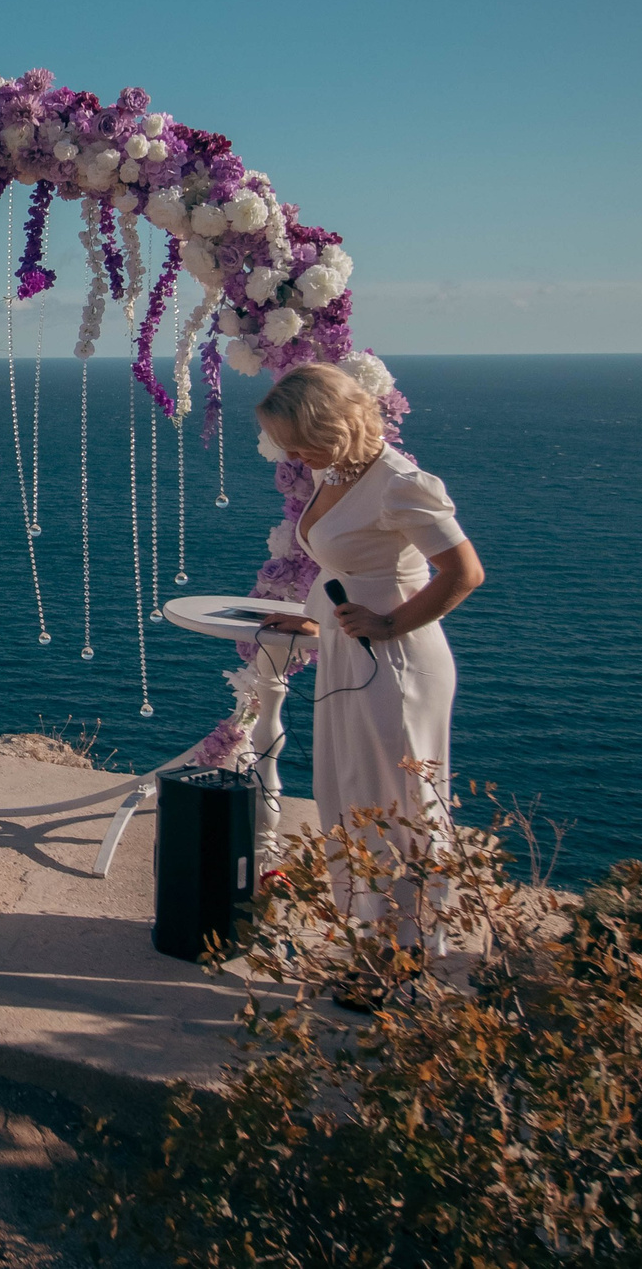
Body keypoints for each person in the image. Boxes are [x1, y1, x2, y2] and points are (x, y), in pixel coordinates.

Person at [256, 363, 483, 965]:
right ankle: (372, 947)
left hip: (399, 664)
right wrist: (314, 620)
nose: (293, 453)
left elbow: (464, 573)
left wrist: (388, 624)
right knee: (350, 796)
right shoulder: (336, 472)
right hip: (348, 653)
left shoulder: (399, 483)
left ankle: (406, 959)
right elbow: (343, 569)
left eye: (299, 439)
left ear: (334, 423)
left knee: (399, 809)